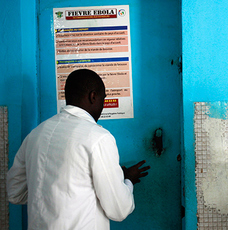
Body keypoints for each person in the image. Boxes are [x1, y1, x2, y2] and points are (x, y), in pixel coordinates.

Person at [7, 69, 150, 230]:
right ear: (93, 96)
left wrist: (48, 195)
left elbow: (14, 192)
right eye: (103, 99)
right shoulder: (98, 138)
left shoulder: (36, 135)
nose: (103, 106)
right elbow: (119, 210)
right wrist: (128, 180)